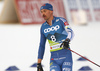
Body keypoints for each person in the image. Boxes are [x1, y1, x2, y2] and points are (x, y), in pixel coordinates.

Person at [37, 3, 74, 71]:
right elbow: (42, 45)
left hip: (66, 56)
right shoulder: (43, 27)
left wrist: (67, 40)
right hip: (54, 59)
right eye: (41, 12)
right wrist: (39, 63)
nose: (43, 14)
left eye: (44, 11)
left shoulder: (61, 20)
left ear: (51, 11)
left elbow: (70, 32)